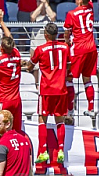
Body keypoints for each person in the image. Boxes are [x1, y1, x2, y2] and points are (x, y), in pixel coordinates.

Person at [25, 22, 69, 166]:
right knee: (60, 120)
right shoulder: (65, 47)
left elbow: (30, 65)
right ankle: (61, 150)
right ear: (57, 35)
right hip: (61, 89)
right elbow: (69, 64)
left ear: (45, 35)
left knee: (42, 120)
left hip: (46, 90)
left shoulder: (40, 49)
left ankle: (43, 151)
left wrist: (27, 65)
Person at [64, 0, 97, 119]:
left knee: (69, 78)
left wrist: (66, 42)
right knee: (87, 79)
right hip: (91, 48)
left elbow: (66, 32)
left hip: (78, 48)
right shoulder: (90, 8)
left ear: (80, 0)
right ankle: (91, 108)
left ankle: (70, 110)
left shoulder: (71, 14)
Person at [0, 34, 23, 130]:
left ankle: (0, 145)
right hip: (16, 99)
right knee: (15, 128)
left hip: (3, 99)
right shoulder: (17, 54)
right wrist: (2, 23)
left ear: (1, 48)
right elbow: (10, 38)